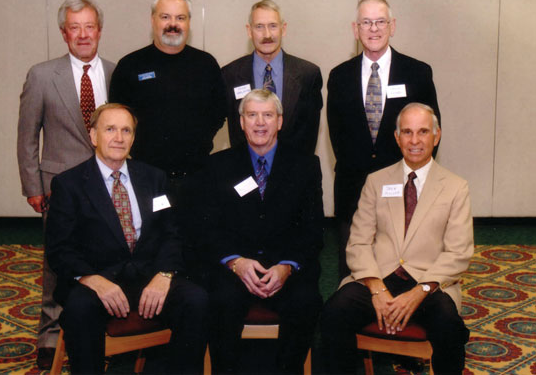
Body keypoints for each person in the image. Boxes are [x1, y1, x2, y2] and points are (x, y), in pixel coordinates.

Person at [45, 104, 208, 374]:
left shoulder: (153, 178)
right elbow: (59, 249)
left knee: (197, 301)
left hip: (148, 276)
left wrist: (165, 274)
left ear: (133, 138)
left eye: (126, 130)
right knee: (78, 310)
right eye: (110, 129)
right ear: (93, 136)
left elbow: (172, 232)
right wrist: (93, 280)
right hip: (97, 279)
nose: (118, 138)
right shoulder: (69, 184)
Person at [321, 103, 473, 375]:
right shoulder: (376, 181)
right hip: (378, 277)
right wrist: (377, 289)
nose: (415, 141)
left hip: (429, 282)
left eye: (423, 132)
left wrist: (419, 292)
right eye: (407, 132)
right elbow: (358, 242)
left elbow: (458, 252)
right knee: (334, 312)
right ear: (397, 137)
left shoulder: (455, 187)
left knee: (449, 325)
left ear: (436, 136)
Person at [16, 0, 115, 369]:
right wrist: (33, 186)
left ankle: (99, 328)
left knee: (105, 256)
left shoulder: (114, 71)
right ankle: (50, 334)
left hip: (106, 184)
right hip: (59, 186)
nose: (83, 34)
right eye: (75, 27)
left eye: (90, 26)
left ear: (99, 31)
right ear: (64, 33)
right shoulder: (42, 75)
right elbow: (27, 136)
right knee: (57, 262)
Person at [201, 89, 324, 373]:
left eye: (267, 115)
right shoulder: (218, 166)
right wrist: (235, 262)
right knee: (219, 302)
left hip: (286, 268)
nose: (260, 123)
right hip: (236, 268)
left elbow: (313, 228)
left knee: (306, 303)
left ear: (279, 121)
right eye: (252, 115)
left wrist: (286, 267)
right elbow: (208, 228)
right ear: (241, 122)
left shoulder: (305, 165)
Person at [327, 0, 441, 278]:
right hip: (353, 189)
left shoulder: (418, 73)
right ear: (355, 29)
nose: (374, 29)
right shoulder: (339, 76)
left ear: (393, 26)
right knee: (352, 276)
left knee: (403, 271)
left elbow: (430, 136)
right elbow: (337, 137)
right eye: (366, 22)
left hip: (404, 188)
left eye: (380, 21)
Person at [109, 0, 226, 203]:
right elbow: (117, 118)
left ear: (189, 22)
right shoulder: (130, 65)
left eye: (180, 18)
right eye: (165, 17)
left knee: (195, 235)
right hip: (145, 178)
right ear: (152, 20)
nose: (173, 24)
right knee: (151, 236)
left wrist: (197, 141)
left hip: (196, 177)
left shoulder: (206, 64)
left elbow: (218, 113)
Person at [223, 0, 323, 155]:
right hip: (245, 173)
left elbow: (309, 137)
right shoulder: (229, 75)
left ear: (283, 29)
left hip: (292, 173)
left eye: (273, 26)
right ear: (249, 31)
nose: (267, 35)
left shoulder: (308, 75)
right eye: (259, 27)